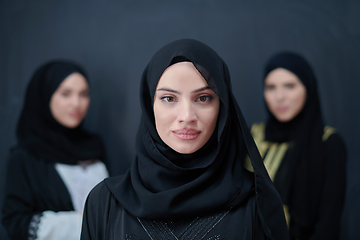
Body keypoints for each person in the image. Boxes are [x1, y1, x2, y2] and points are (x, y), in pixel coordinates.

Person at [80, 39, 289, 240]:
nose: (187, 116)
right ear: (149, 106)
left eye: (203, 98)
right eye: (169, 98)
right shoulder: (104, 202)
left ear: (223, 107)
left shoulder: (257, 203)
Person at [2, 60, 109, 240]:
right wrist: (87, 224)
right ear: (45, 96)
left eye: (84, 94)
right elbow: (15, 222)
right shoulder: (25, 156)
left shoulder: (94, 146)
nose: (77, 103)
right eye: (65, 94)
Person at [249, 52, 346, 239]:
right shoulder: (254, 135)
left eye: (290, 86)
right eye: (271, 87)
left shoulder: (328, 143)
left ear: (308, 88)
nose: (279, 97)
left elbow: (328, 225)